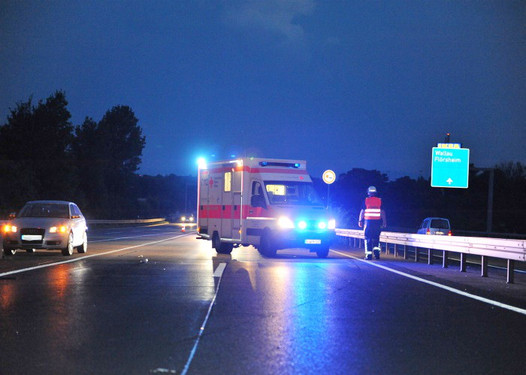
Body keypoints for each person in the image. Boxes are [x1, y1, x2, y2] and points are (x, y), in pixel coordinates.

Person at [358, 186, 387, 260]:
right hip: (377, 223)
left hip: (368, 223)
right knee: (376, 238)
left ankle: (369, 255)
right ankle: (377, 255)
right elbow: (382, 212)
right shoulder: (379, 200)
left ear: (368, 193)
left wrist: (360, 221)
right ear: (375, 193)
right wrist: (384, 222)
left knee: (368, 238)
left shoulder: (366, 200)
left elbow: (362, 211)